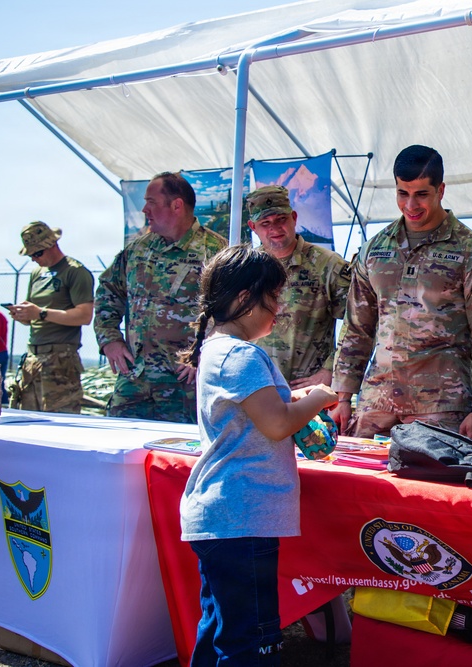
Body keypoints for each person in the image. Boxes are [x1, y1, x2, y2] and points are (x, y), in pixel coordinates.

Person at [178, 244, 337, 666]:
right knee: (252, 643)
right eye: (274, 296)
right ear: (247, 298)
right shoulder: (241, 354)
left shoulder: (217, 350)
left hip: (223, 517)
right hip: (241, 516)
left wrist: (294, 399)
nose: (279, 308)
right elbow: (278, 424)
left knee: (220, 632)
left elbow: (262, 412)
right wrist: (318, 397)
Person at [331, 145, 472, 439]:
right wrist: (343, 396)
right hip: (378, 400)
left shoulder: (471, 252)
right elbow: (356, 328)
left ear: (441, 190)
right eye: (403, 193)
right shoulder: (375, 250)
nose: (410, 204)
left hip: (443, 405)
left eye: (421, 194)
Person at [94, 172, 227, 423]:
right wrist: (109, 339)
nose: (145, 209)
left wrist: (204, 355)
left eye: (151, 202)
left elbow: (232, 313)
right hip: (134, 377)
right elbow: (108, 291)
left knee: (177, 456)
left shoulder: (216, 252)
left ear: (176, 205)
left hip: (184, 385)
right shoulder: (138, 249)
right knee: (118, 450)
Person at [245, 185, 351, 388]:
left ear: (293, 217)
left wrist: (332, 369)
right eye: (265, 223)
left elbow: (360, 322)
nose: (275, 229)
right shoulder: (246, 268)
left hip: (308, 392)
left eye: (281, 219)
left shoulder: (327, 265)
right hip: (258, 388)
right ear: (253, 226)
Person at [6, 222, 94, 413]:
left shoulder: (75, 271)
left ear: (52, 245)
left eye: (37, 253)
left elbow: (84, 315)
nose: (34, 259)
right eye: (31, 255)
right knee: (27, 420)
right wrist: (23, 314)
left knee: (60, 422)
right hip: (33, 358)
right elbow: (33, 312)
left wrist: (41, 313)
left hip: (60, 360)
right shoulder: (38, 273)